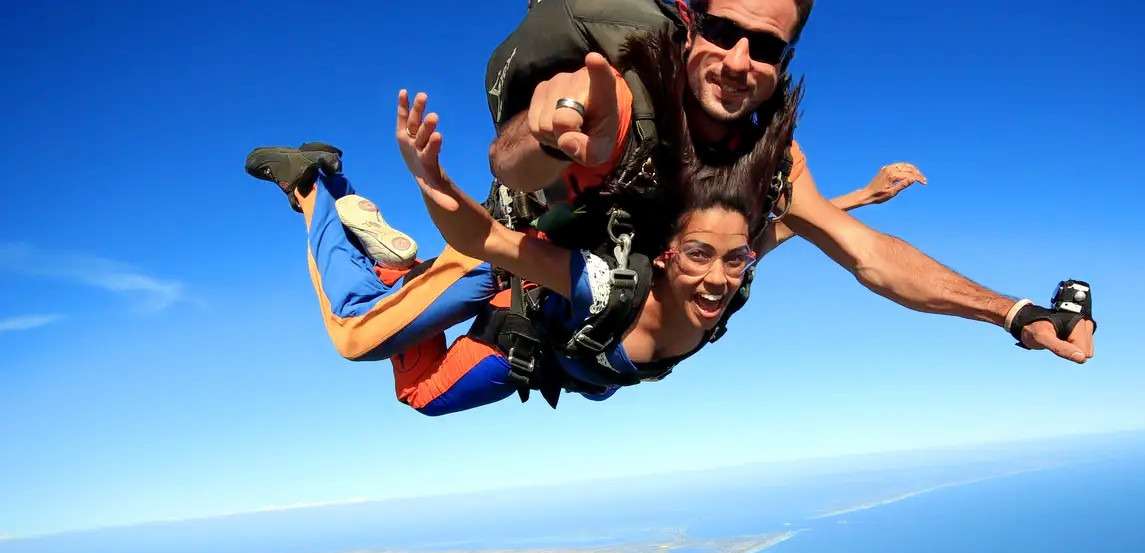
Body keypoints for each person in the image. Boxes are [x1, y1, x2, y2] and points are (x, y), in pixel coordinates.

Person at [485, 0, 1096, 361]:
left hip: (632, 321)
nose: (738, 62)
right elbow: (510, 163)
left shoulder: (771, 156)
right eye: (723, 33)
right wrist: (545, 134)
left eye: (767, 47)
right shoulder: (620, 95)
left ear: (785, 61)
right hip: (540, 276)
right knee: (425, 386)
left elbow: (867, 254)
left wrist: (1011, 313)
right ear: (690, 25)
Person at [245, 31, 806, 416]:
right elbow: (490, 240)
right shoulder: (605, 288)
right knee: (352, 334)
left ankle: (396, 271)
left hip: (525, 339)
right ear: (666, 257)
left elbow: (770, 236)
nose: (719, 277)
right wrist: (433, 181)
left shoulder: (724, 286)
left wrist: (854, 201)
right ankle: (312, 186)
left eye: (732, 262)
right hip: (501, 267)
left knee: (420, 390)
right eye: (702, 258)